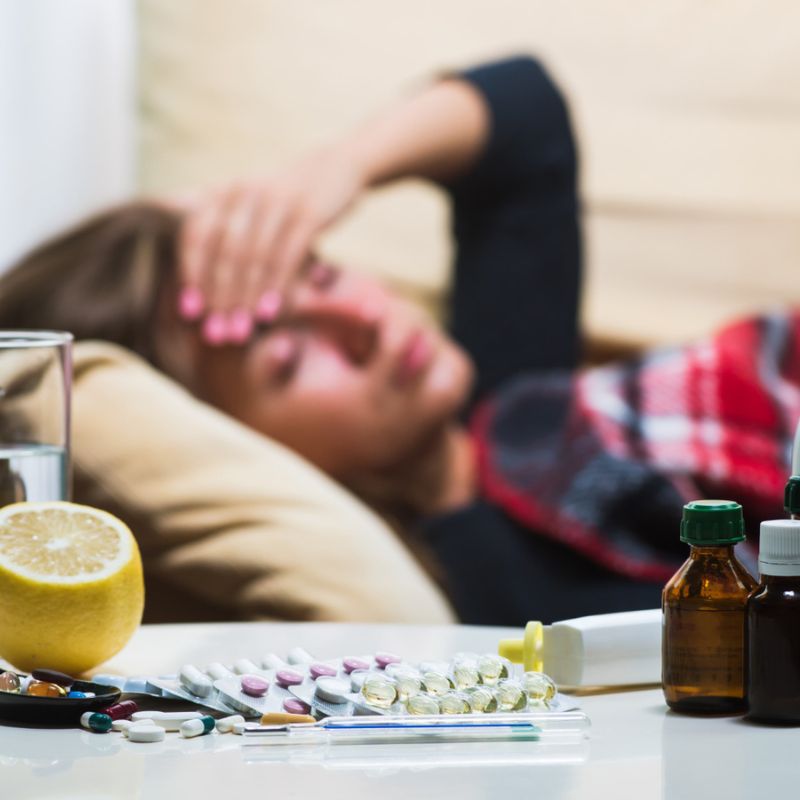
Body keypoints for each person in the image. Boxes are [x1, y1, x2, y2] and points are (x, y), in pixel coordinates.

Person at [0, 57, 794, 625]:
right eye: (285, 357)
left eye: (314, 271)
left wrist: (333, 173)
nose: (363, 322)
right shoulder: (478, 599)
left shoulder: (504, 399)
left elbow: (527, 120)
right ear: (237, 445)